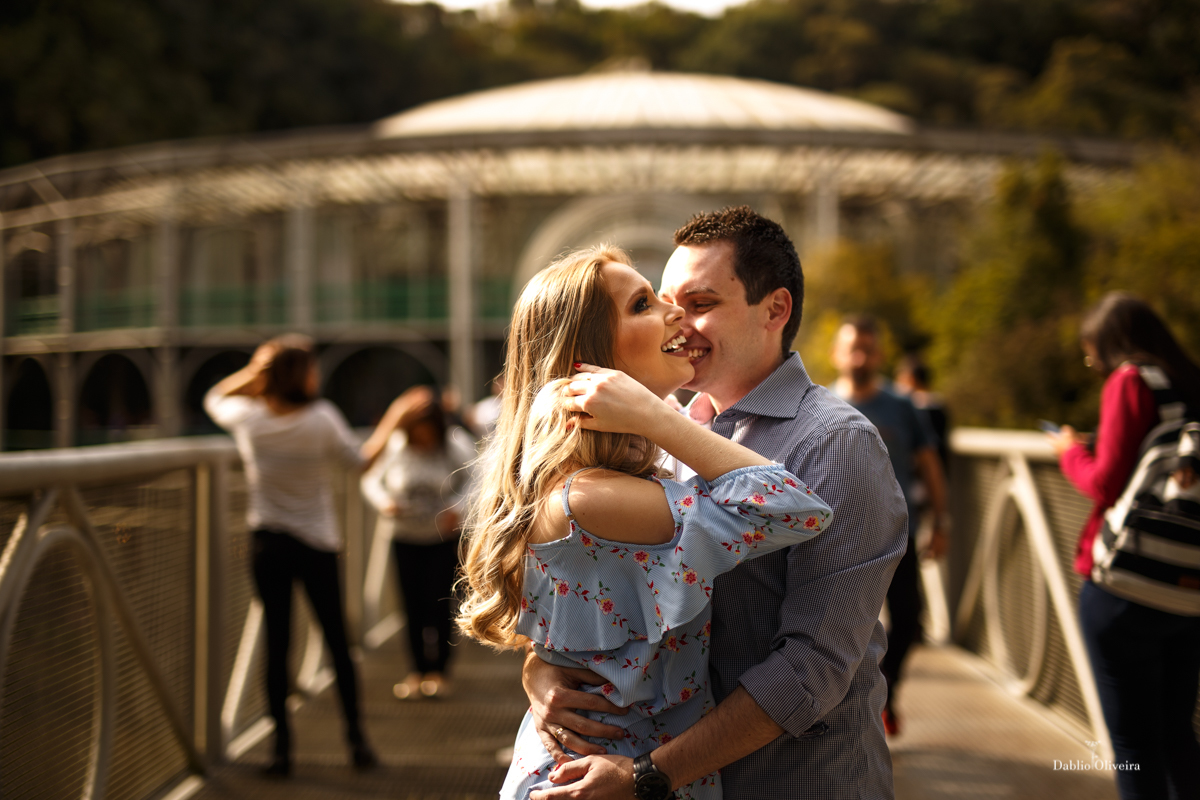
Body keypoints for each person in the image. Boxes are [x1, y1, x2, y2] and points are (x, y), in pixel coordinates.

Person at [522, 207, 908, 800]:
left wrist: (650, 775)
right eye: (665, 302)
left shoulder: (835, 442)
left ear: (775, 310)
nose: (679, 321)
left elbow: (812, 670)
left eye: (700, 304)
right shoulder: (665, 430)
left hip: (792, 783)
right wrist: (543, 670)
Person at [456, 244, 834, 800]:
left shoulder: (616, 473)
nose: (673, 312)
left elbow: (582, 639)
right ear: (591, 359)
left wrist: (537, 668)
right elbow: (797, 510)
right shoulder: (589, 496)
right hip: (599, 781)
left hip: (616, 772)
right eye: (642, 305)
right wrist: (655, 413)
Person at [204, 335, 419, 777]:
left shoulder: (249, 417)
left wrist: (255, 374)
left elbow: (214, 397)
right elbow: (360, 462)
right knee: (338, 642)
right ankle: (357, 743)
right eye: (310, 367)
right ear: (299, 375)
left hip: (268, 544)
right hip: (316, 545)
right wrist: (394, 419)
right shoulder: (321, 419)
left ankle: (281, 752)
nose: (316, 374)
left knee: (276, 645)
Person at [1048, 292, 1200, 800]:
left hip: (1127, 585)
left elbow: (1106, 483)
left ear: (1111, 344)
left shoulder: (1130, 380)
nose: (1094, 365)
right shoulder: (1188, 383)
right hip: (1188, 587)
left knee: (1134, 743)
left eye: (1093, 355)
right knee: (1178, 735)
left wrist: (1070, 453)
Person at [830, 316, 948, 736]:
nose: (860, 356)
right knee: (840, 628)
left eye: (868, 348)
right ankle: (849, 709)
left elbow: (929, 465)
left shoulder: (902, 408)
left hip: (899, 537)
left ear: (880, 354)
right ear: (836, 354)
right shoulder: (821, 404)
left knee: (911, 621)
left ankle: (886, 691)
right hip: (838, 540)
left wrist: (941, 520)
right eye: (852, 347)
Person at [361, 385, 476, 699]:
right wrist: (384, 502)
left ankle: (439, 671)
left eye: (427, 433)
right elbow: (370, 478)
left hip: (442, 538)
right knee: (410, 606)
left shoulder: (454, 443)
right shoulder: (396, 446)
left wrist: (458, 508)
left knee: (440, 603)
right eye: (417, 433)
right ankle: (416, 671)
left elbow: (480, 477)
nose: (422, 440)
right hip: (404, 536)